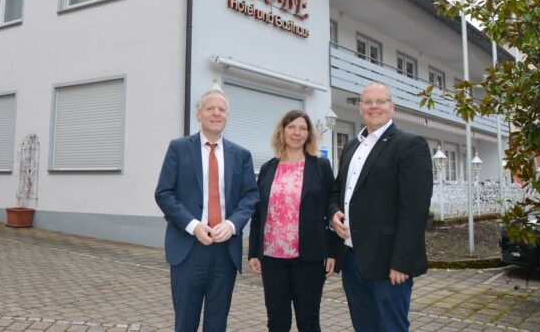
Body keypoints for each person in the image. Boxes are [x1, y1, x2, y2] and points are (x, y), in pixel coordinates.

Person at [328, 82, 433, 332]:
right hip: (352, 259)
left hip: (388, 264)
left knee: (391, 327)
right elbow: (337, 191)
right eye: (368, 101)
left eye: (381, 101)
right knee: (363, 326)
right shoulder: (352, 146)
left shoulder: (410, 145)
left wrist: (402, 262)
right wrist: (333, 213)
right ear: (360, 107)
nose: (374, 106)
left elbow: (415, 210)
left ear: (392, 107)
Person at [155, 87, 259, 332]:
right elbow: (164, 193)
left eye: (221, 109)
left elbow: (250, 196)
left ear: (227, 116)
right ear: (198, 113)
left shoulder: (241, 155)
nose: (216, 113)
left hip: (225, 250)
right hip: (188, 248)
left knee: (217, 322)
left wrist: (232, 224)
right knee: (185, 322)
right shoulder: (179, 148)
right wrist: (193, 225)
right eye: (210, 108)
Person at [248, 110, 337, 331]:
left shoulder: (320, 166)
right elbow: (258, 213)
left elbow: (332, 207)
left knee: (308, 321)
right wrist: (253, 252)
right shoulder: (268, 168)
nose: (297, 133)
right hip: (272, 257)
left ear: (309, 134)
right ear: (282, 131)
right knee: (277, 322)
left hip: (309, 257)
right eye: (292, 127)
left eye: (302, 128)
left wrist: (333, 252)